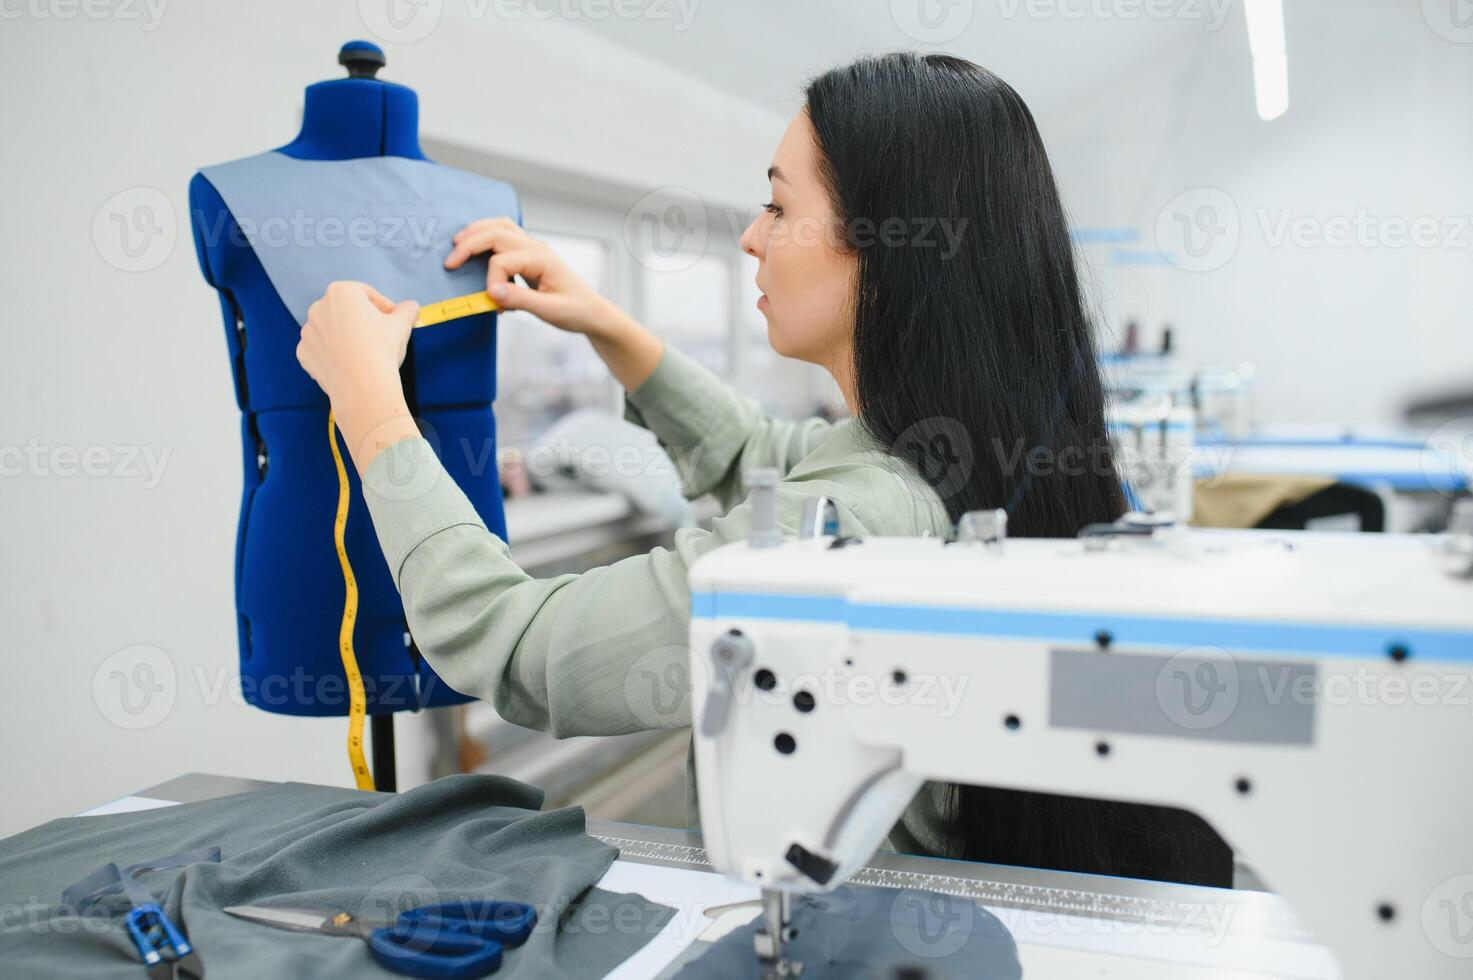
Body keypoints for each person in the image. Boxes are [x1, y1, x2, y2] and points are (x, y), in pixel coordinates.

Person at [295, 52, 1231, 886]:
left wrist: (369, 403)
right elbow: (760, 459)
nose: (750, 235)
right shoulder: (962, 447)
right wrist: (608, 325)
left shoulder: (869, 519)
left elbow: (512, 644)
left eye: (780, 206)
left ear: (889, 250)